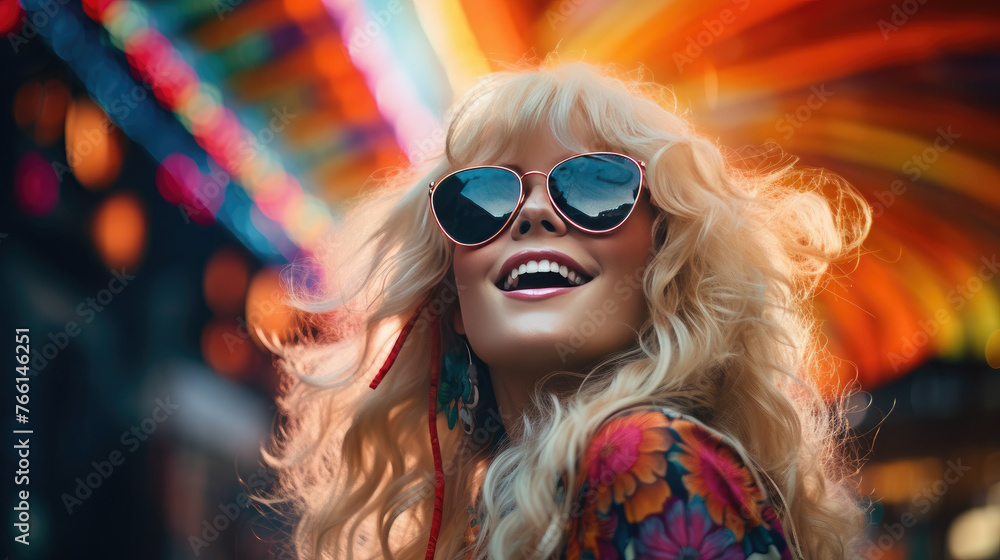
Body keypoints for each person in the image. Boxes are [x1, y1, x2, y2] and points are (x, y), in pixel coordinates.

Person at [259, 57, 873, 560]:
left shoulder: (648, 460)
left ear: (667, 258)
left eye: (595, 185)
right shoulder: (494, 518)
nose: (530, 213)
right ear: (448, 297)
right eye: (484, 197)